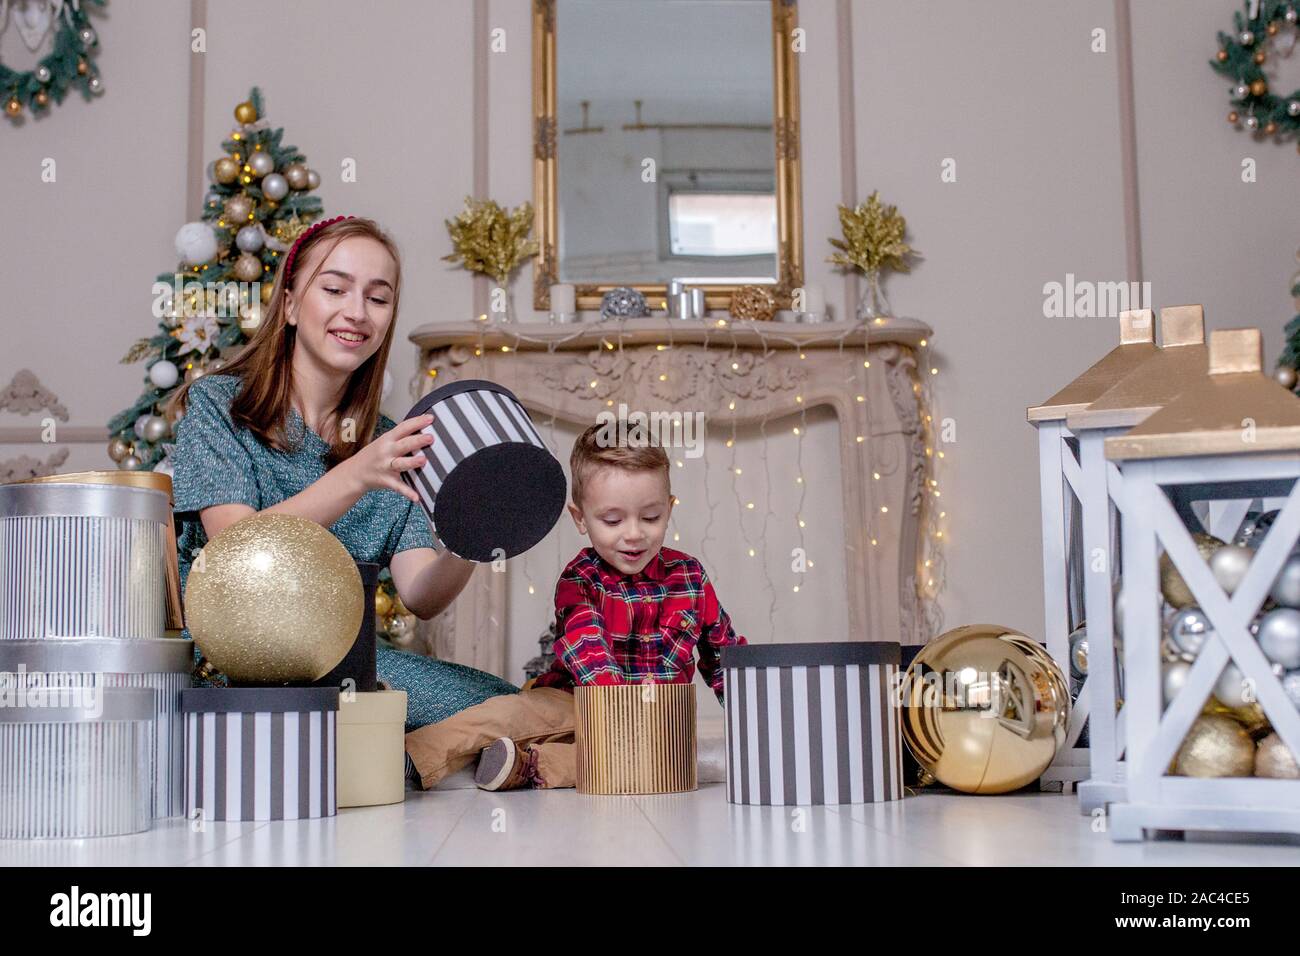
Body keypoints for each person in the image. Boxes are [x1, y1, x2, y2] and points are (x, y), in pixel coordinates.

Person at [169, 215, 518, 739]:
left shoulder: (390, 441)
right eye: (334, 289)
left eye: (378, 299)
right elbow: (237, 555)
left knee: (512, 706)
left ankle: (410, 757)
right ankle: (409, 755)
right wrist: (357, 475)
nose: (357, 312)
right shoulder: (218, 408)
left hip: (348, 670)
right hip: (231, 667)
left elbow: (421, 594)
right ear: (288, 303)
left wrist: (472, 536)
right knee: (508, 716)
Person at [402, 422, 747, 791]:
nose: (634, 533)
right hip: (577, 701)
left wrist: (753, 715)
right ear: (580, 518)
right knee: (508, 713)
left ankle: (528, 765)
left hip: (657, 721)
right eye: (612, 520)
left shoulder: (689, 575)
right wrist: (622, 709)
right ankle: (411, 757)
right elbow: (586, 647)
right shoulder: (581, 577)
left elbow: (724, 657)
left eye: (651, 517)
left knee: (644, 761)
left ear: (669, 508)